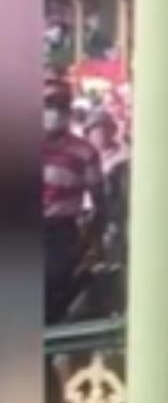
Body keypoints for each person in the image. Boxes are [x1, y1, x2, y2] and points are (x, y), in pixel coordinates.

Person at [43, 90, 104, 286]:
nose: (55, 113)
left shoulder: (85, 151)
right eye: (49, 107)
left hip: (60, 229)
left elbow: (98, 196)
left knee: (53, 282)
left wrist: (93, 236)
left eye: (61, 108)